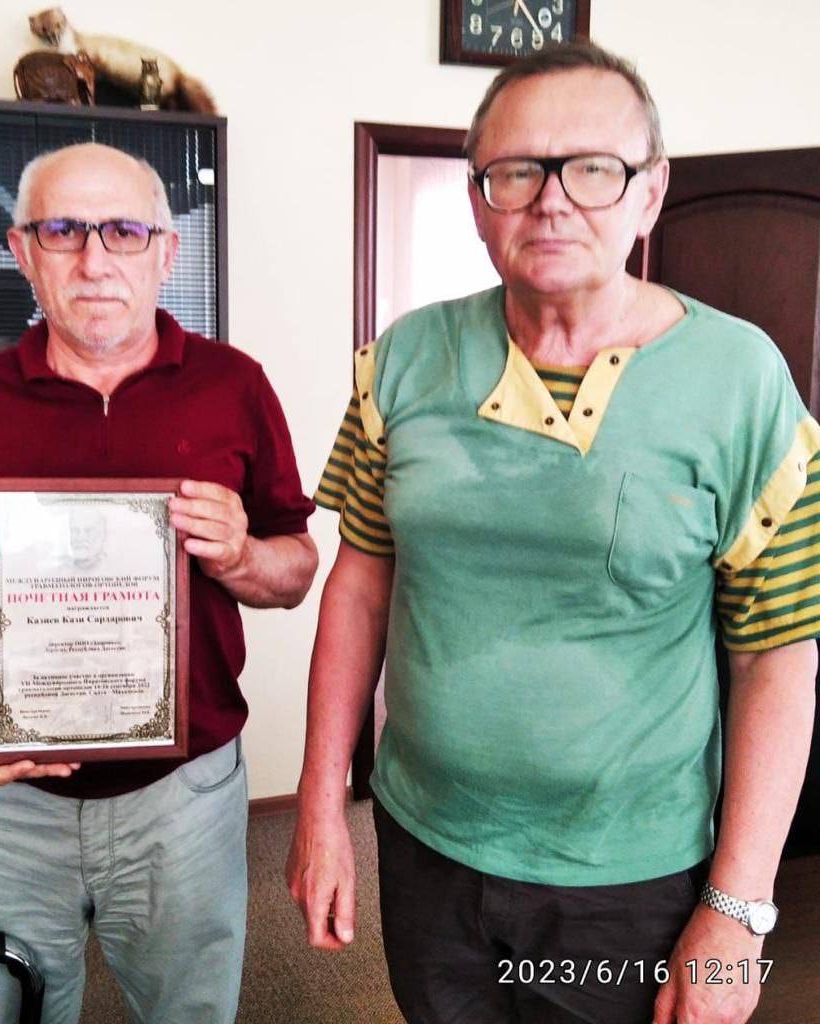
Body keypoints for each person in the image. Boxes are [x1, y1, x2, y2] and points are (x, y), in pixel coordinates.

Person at [287, 41, 819, 1024]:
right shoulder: (400, 360)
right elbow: (357, 587)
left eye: (593, 168)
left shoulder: (743, 382)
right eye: (516, 170)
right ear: (477, 197)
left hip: (630, 880)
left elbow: (776, 656)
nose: (551, 201)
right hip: (424, 846)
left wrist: (739, 914)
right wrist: (321, 803)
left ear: (650, 192)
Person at [0, 141, 318, 1024]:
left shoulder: (234, 387)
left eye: (123, 231)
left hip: (184, 798)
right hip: (8, 804)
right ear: (22, 251)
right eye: (63, 231)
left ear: (166, 251)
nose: (94, 259)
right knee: (8, 1014)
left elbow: (296, 570)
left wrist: (239, 554)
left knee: (190, 1013)